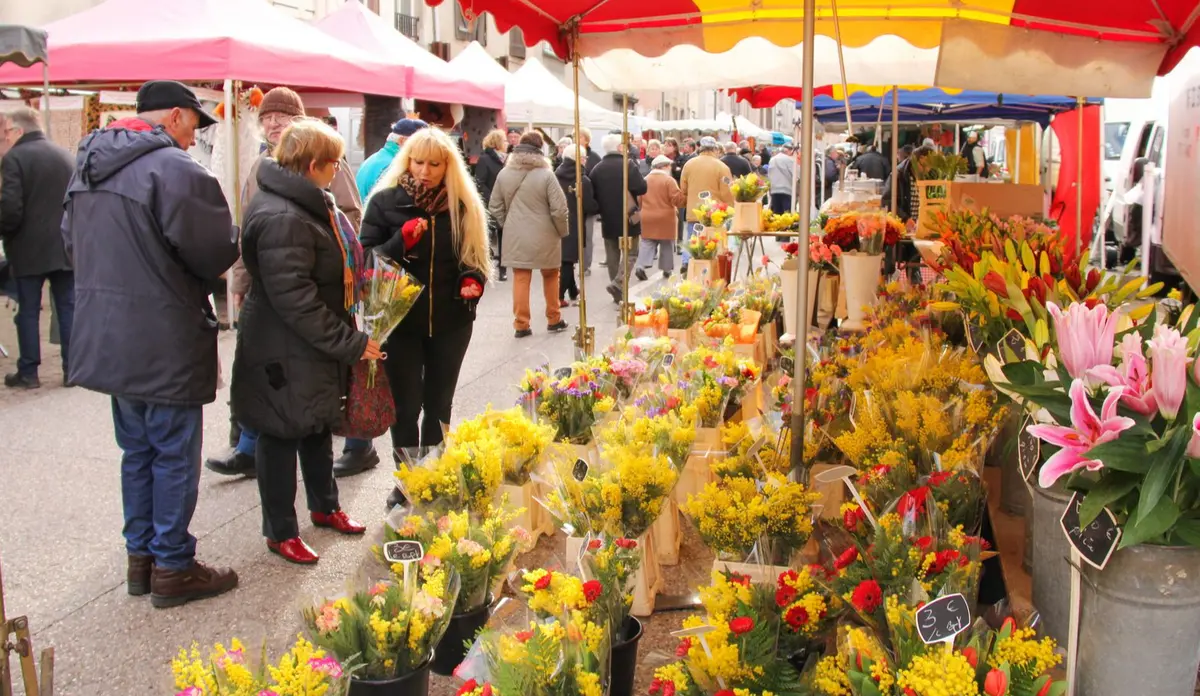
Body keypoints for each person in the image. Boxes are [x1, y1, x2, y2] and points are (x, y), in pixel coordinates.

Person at [63, 80, 239, 607]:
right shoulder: (176, 170)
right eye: (194, 125)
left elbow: (70, 243)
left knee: (136, 450)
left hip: (110, 334)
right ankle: (172, 564)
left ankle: (141, 558)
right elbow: (214, 251)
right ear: (178, 117)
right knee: (170, 452)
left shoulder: (89, 166)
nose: (193, 138)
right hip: (163, 333)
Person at [212, 87, 372, 480]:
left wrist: (340, 263)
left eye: (281, 117)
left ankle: (355, 447)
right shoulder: (262, 172)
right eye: (267, 117)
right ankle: (251, 450)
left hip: (321, 291)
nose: (273, 123)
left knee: (312, 386)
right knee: (280, 387)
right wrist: (241, 278)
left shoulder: (326, 162)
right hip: (287, 295)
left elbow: (350, 215)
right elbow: (250, 229)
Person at [233, 119, 373, 565]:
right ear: (313, 164)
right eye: (334, 163)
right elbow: (296, 301)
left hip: (308, 344)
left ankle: (324, 505)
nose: (337, 171)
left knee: (315, 424)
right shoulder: (282, 216)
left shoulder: (306, 202)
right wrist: (349, 343)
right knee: (280, 434)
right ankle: (280, 531)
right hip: (283, 345)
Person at [360, 127, 492, 508]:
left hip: (451, 320)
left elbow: (474, 259)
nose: (425, 171)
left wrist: (472, 281)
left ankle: (432, 479)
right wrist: (402, 240)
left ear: (448, 165)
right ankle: (406, 481)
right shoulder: (384, 203)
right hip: (400, 323)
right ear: (407, 160)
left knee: (439, 404)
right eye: (419, 162)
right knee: (405, 406)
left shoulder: (462, 205)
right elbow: (367, 261)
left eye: (435, 164)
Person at [0, 108, 75, 390]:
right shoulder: (64, 154)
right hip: (65, 246)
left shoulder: (15, 158)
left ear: (18, 131)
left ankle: (29, 372)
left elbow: (10, 209)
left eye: (7, 131)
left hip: (28, 248)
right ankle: (72, 369)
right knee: (67, 308)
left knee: (29, 311)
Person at [489, 131, 570, 338]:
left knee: (521, 276)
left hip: (516, 234)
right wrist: (562, 231)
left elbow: (494, 206)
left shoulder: (504, 174)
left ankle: (521, 324)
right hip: (546, 234)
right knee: (551, 274)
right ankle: (554, 318)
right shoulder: (547, 175)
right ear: (540, 151)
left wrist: (508, 224)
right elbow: (559, 209)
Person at [591, 132, 648, 304]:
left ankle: (617, 289)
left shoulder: (597, 168)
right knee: (631, 253)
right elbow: (641, 187)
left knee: (613, 254)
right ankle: (618, 283)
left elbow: (592, 193)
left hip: (608, 218)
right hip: (628, 216)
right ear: (619, 147)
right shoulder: (627, 164)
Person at [680, 136, 734, 272]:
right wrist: (730, 209)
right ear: (715, 149)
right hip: (715, 213)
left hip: (694, 211)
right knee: (712, 241)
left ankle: (687, 262)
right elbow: (727, 191)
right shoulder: (722, 167)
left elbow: (683, 188)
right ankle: (708, 269)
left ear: (699, 148)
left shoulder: (689, 165)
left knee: (693, 237)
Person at [554, 146, 598, 306]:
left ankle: (572, 290)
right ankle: (558, 296)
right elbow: (589, 206)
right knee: (567, 260)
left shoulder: (556, 175)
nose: (586, 161)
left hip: (557, 220)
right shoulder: (581, 180)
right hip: (574, 222)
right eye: (584, 158)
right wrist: (598, 205)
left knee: (566, 257)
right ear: (579, 159)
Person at [635, 154, 686, 280]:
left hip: (647, 215)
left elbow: (639, 200)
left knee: (647, 242)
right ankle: (666, 269)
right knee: (667, 243)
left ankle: (641, 266)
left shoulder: (645, 179)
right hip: (666, 217)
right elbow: (676, 200)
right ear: (665, 166)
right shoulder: (669, 181)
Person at [357, 117, 429, 200]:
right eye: (420, 143)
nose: (424, 149)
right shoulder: (394, 167)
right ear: (402, 141)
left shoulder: (371, 160)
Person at [475, 129, 508, 282]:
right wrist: (492, 198)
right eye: (504, 140)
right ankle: (484, 266)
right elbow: (480, 182)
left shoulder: (506, 160)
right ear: (497, 143)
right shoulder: (485, 159)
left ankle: (503, 268)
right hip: (489, 203)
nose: (507, 143)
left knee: (504, 236)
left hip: (504, 203)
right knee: (487, 236)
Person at [883, 144, 933, 223]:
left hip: (922, 225)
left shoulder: (930, 175)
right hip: (902, 225)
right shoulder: (899, 175)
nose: (928, 169)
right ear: (920, 159)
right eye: (925, 165)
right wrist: (905, 218)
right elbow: (887, 202)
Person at [767, 144, 796, 214]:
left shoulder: (772, 159)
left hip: (774, 190)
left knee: (776, 213)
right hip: (786, 190)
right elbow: (795, 175)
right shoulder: (789, 160)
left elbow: (769, 175)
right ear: (789, 151)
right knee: (787, 214)